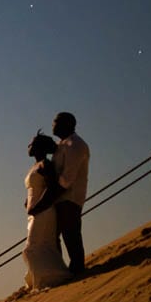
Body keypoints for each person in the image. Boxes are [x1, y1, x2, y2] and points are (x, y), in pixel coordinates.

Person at [22, 132, 70, 289]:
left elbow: (52, 188)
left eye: (32, 143)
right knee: (41, 245)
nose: (29, 146)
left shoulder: (45, 165)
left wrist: (38, 207)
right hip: (34, 212)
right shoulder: (36, 166)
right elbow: (36, 187)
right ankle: (39, 279)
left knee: (33, 247)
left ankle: (50, 279)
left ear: (39, 147)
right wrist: (28, 202)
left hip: (43, 211)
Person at [50, 111, 90, 274]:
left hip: (70, 197)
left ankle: (77, 269)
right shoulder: (61, 146)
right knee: (53, 236)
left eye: (56, 121)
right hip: (58, 198)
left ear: (67, 124)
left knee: (70, 234)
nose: (53, 124)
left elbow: (67, 179)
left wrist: (48, 197)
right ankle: (60, 269)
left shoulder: (76, 145)